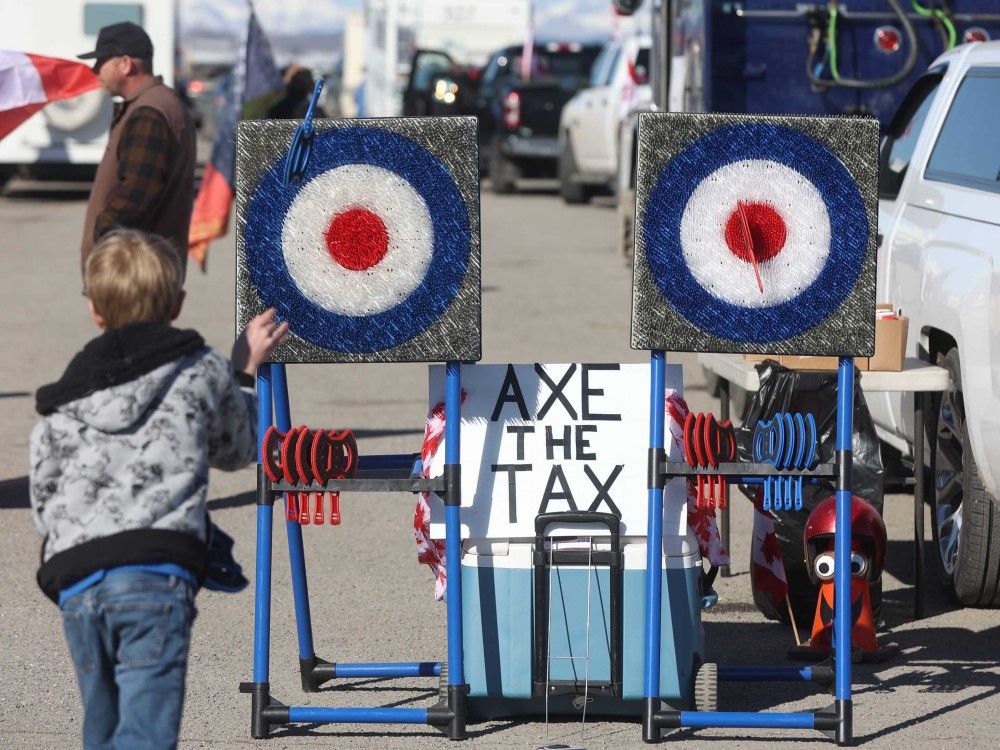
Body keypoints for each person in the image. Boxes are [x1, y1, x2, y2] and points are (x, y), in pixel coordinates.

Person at [28, 229, 288, 750]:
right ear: (177, 303)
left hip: (77, 582)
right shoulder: (198, 370)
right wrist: (243, 370)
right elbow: (238, 449)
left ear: (96, 312)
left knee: (103, 730)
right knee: (145, 734)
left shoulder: (66, 396)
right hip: (153, 577)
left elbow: (44, 492)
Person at [77, 22, 196, 279]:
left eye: (101, 61)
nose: (95, 69)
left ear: (125, 64)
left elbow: (137, 195)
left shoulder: (149, 111)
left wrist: (101, 234)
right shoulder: (155, 103)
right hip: (144, 271)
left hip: (134, 277)